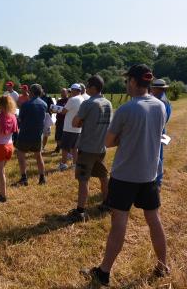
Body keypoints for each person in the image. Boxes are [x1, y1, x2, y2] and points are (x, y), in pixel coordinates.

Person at [87, 64, 168, 286]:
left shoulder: (126, 109)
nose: (126, 84)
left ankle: (104, 272)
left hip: (124, 176)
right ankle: (162, 265)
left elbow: (109, 142)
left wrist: (126, 138)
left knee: (119, 223)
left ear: (133, 81)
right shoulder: (160, 106)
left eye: (127, 81)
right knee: (154, 220)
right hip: (149, 175)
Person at [66, 75, 112, 222]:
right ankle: (107, 203)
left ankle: (80, 211)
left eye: (88, 85)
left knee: (83, 179)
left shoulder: (88, 103)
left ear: (92, 88)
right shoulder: (108, 103)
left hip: (87, 147)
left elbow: (75, 123)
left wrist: (83, 121)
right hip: (101, 147)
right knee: (103, 177)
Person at [14, 84, 48, 186]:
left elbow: (21, 119)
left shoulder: (25, 105)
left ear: (31, 92)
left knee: (21, 154)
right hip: (37, 134)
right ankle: (42, 178)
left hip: (25, 133)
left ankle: (24, 178)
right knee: (38, 156)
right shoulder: (44, 104)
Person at [0, 95, 18, 202]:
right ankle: (2, 191)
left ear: (0, 105)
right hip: (10, 146)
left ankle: (3, 195)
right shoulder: (13, 117)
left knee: (0, 173)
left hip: (0, 146)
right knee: (2, 171)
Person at [150, 79, 172, 188]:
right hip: (161, 130)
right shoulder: (165, 100)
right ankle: (158, 180)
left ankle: (157, 181)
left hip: (157, 131)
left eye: (153, 88)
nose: (151, 90)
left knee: (156, 156)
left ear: (157, 89)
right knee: (159, 156)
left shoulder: (161, 101)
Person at [57, 84, 84, 171]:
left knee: (65, 147)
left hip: (69, 128)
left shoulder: (72, 99)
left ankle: (63, 164)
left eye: (71, 91)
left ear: (74, 90)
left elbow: (64, 111)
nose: (70, 92)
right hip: (78, 128)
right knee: (74, 148)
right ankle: (75, 164)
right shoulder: (82, 99)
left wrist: (55, 109)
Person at [51, 88, 68, 153]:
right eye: (61, 92)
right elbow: (56, 109)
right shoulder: (59, 101)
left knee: (65, 135)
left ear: (66, 93)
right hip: (59, 120)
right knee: (58, 135)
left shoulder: (69, 100)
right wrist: (53, 109)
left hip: (65, 120)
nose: (62, 94)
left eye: (63, 92)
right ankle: (58, 147)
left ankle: (64, 148)